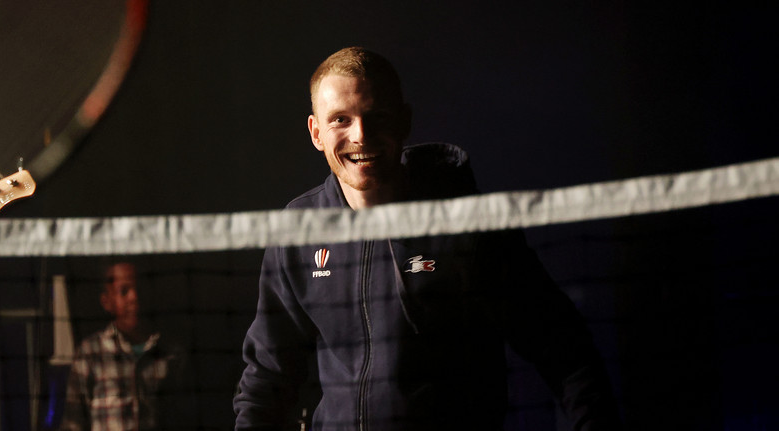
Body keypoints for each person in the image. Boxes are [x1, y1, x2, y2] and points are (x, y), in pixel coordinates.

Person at [233, 47, 620, 430]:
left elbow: (563, 348)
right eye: (340, 120)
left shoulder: (468, 224)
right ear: (317, 133)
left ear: (404, 121)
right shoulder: (298, 230)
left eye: (377, 117)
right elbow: (267, 377)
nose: (361, 135)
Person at [61, 261, 183, 431]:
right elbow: (73, 423)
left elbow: (183, 417)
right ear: (107, 302)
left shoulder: (169, 353)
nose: (134, 297)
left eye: (139, 289)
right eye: (124, 291)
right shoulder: (90, 353)